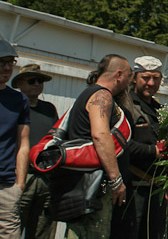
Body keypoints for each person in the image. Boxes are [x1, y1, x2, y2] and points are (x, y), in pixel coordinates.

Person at [62, 54, 132, 239]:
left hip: (83, 186)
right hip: (93, 189)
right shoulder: (102, 96)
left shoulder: (89, 93)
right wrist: (116, 180)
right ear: (118, 75)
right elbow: (100, 136)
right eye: (128, 75)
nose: (129, 81)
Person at [121, 56, 167, 239]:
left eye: (156, 78)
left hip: (155, 188)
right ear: (134, 78)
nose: (151, 83)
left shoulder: (159, 109)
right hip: (132, 186)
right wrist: (153, 151)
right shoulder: (125, 105)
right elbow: (120, 144)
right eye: (146, 78)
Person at [13, 64, 58, 239]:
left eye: (40, 81)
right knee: (12, 229)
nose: (37, 84)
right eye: (32, 80)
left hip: (46, 179)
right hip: (20, 177)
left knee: (43, 231)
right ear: (20, 84)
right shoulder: (12, 107)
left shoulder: (49, 109)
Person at [0, 40, 30, 239]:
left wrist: (20, 184)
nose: (7, 68)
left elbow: (23, 143)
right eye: (2, 62)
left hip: (7, 186)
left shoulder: (19, 100)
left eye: (11, 62)